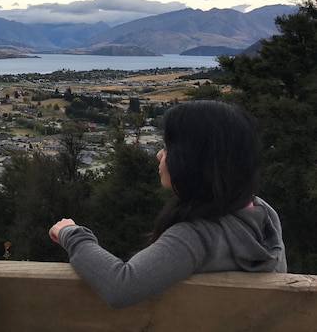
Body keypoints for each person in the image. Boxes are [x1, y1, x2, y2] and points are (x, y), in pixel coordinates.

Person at [49, 100, 286, 308]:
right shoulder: (264, 214)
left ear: (194, 161)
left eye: (167, 147)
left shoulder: (197, 236)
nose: (159, 155)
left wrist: (72, 234)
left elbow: (121, 286)